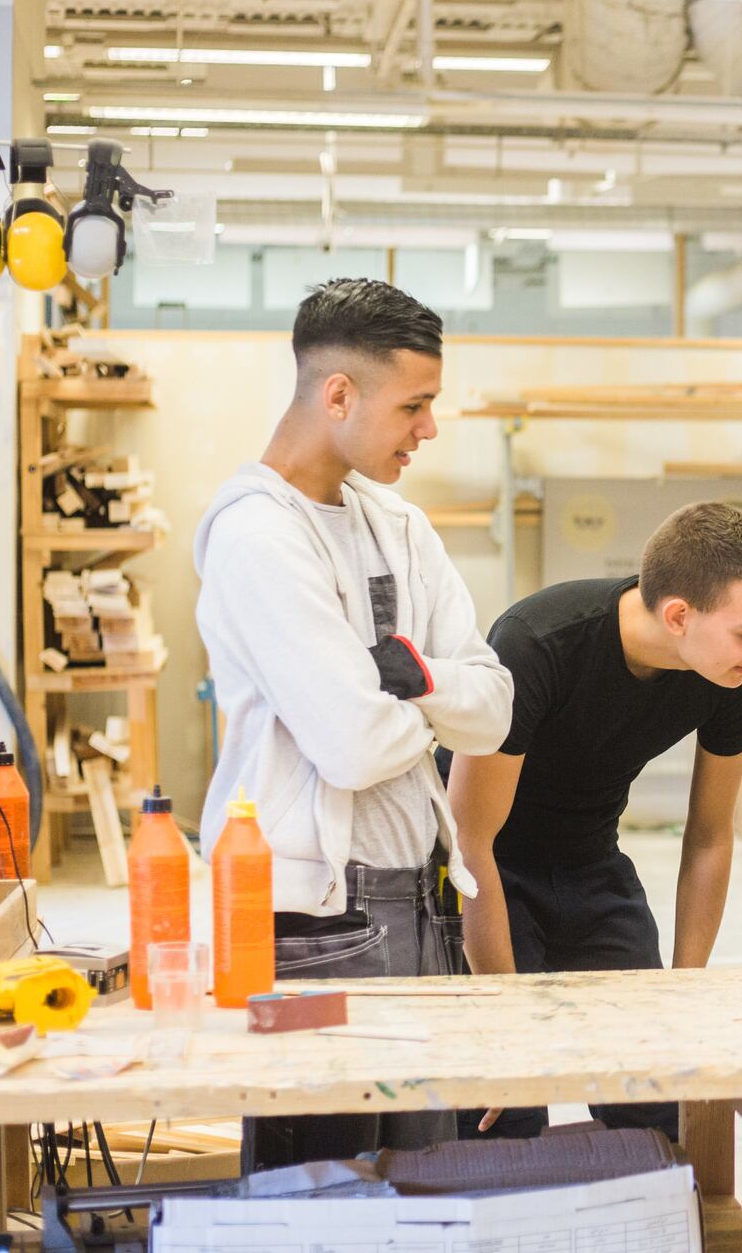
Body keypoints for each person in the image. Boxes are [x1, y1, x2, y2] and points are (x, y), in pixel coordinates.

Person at [193, 278, 514, 1171]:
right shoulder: (257, 535)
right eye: (413, 405)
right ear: (338, 394)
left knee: (420, 1190)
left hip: (423, 903)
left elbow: (494, 708)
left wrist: (404, 685)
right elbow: (352, 745)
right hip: (315, 928)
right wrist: (430, 702)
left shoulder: (399, 527)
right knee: (319, 1199)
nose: (429, 428)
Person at [446, 502, 742, 1141]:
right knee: (503, 1110)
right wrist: (503, 1021)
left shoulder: (738, 673)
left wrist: (684, 993)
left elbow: (710, 836)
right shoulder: (537, 643)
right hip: (487, 868)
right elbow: (469, 842)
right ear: (679, 616)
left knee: (659, 1097)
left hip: (591, 857)